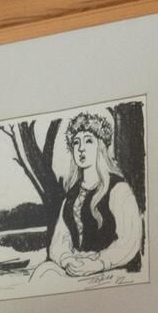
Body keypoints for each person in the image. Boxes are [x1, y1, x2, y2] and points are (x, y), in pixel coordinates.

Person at [33, 109, 144, 285]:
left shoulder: (118, 189)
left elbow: (129, 241)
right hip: (76, 267)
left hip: (110, 270)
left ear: (101, 146)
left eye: (88, 141)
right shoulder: (71, 195)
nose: (81, 148)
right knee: (43, 272)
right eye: (76, 143)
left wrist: (97, 263)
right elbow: (59, 241)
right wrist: (67, 260)